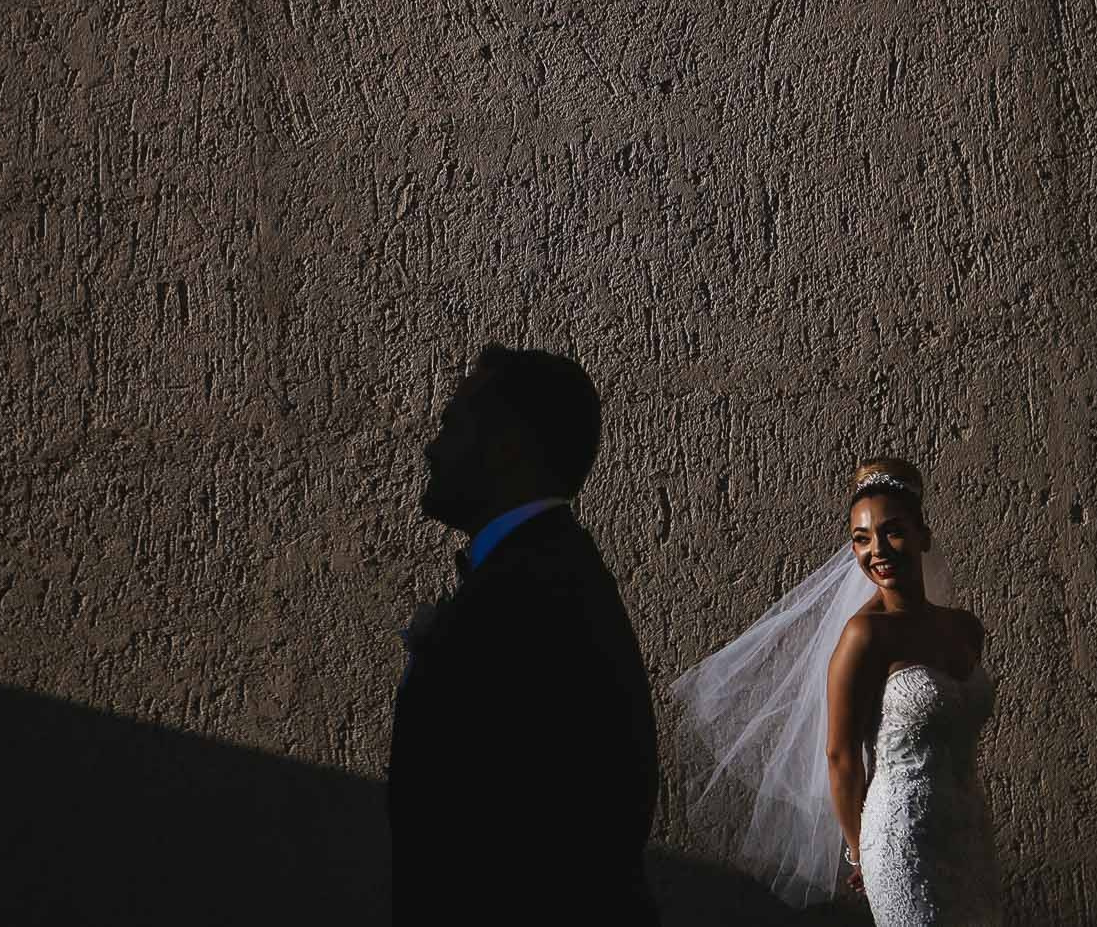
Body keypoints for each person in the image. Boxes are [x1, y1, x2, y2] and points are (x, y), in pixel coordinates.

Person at [387, 344, 660, 926]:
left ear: (508, 446)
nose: (432, 448)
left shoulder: (530, 595)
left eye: (451, 425)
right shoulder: (544, 573)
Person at [669, 458, 1000, 924]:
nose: (877, 550)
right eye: (862, 539)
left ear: (924, 536)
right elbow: (841, 755)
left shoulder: (965, 629)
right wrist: (860, 849)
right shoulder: (864, 636)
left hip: (968, 832)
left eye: (893, 531)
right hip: (902, 840)